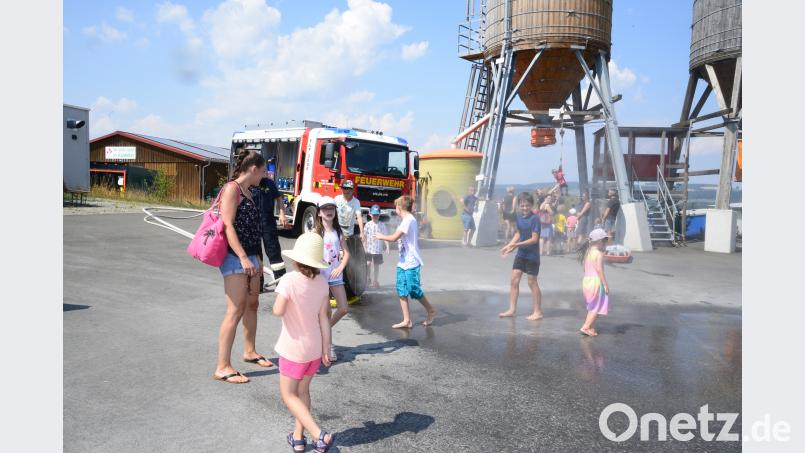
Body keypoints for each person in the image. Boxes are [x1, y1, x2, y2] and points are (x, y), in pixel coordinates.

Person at [272, 232, 336, 452]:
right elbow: (324, 318)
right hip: (315, 349)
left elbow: (277, 311)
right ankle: (298, 438)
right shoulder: (322, 283)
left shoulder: (289, 280)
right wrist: (327, 347)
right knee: (303, 393)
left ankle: (319, 435)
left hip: (293, 349)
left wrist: (282, 294)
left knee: (289, 395)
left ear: (296, 259)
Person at [213, 149, 272, 384]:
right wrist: (243, 258)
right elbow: (228, 226)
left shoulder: (251, 191)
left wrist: (256, 257)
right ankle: (223, 366)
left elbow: (253, 227)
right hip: (233, 256)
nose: (265, 175)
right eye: (264, 170)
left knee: (252, 304)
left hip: (251, 255)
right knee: (235, 310)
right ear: (253, 169)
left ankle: (249, 351)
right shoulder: (232, 189)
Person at [376, 195, 437, 329]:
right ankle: (407, 320)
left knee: (413, 289)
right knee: (401, 289)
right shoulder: (406, 220)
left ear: (400, 207)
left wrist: (380, 236)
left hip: (411, 261)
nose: (395, 209)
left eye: (396, 206)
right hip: (402, 261)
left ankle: (431, 310)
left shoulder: (408, 220)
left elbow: (393, 238)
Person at [314, 197, 350, 362]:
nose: (329, 211)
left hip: (336, 275)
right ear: (319, 212)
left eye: (332, 208)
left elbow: (347, 253)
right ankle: (328, 346)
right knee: (326, 312)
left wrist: (341, 267)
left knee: (343, 309)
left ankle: (322, 331)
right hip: (320, 276)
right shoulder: (315, 232)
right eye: (325, 208)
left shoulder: (339, 232)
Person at [499, 192, 543, 320]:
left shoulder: (535, 219)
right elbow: (519, 233)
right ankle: (512, 309)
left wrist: (516, 245)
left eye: (527, 205)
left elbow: (534, 239)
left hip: (532, 256)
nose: (525, 208)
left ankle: (538, 311)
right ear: (519, 205)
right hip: (521, 254)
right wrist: (509, 246)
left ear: (531, 205)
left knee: (532, 282)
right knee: (514, 280)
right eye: (522, 205)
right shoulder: (519, 217)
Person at [253, 167, 289, 292]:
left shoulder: (269, 183)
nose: (265, 173)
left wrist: (282, 214)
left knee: (274, 253)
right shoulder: (250, 183)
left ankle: (282, 284)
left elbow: (278, 198)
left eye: (265, 171)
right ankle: (258, 284)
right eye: (262, 171)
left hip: (268, 223)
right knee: (256, 254)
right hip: (253, 224)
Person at [578, 228, 610, 336]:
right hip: (596, 282)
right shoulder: (599, 254)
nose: (605, 243)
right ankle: (586, 327)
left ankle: (590, 326)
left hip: (586, 280)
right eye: (605, 241)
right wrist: (605, 284)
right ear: (600, 241)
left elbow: (584, 268)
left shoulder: (588, 252)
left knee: (592, 307)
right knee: (596, 307)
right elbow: (599, 270)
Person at [363, 205, 389, 288]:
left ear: (379, 215)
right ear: (370, 214)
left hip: (378, 250)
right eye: (374, 215)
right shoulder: (367, 224)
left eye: (377, 215)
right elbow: (365, 236)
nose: (375, 217)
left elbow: (385, 236)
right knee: (368, 264)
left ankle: (375, 280)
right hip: (369, 249)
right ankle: (367, 278)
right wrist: (364, 246)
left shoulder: (382, 225)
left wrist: (387, 247)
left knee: (376, 265)